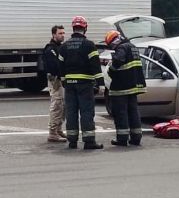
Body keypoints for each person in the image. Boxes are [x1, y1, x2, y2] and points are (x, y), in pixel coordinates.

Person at [58, 16, 105, 150]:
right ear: (85, 28)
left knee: (71, 112)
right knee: (86, 112)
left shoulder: (64, 46)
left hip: (70, 84)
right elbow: (96, 66)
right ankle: (89, 141)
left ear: (73, 28)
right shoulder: (89, 45)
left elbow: (60, 66)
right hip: (85, 84)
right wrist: (101, 84)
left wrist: (64, 81)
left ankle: (72, 141)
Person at [104, 30, 146, 146]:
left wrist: (110, 70)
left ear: (115, 40)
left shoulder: (122, 48)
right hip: (133, 86)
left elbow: (118, 61)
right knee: (133, 112)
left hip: (122, 87)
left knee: (121, 113)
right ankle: (136, 138)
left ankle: (122, 139)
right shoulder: (133, 47)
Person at [44, 25, 67, 143]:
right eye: (60, 33)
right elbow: (55, 66)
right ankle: (52, 133)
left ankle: (58, 129)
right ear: (53, 34)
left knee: (63, 106)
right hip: (56, 81)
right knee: (57, 105)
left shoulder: (60, 47)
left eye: (63, 33)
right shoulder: (50, 49)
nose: (62, 35)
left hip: (61, 80)